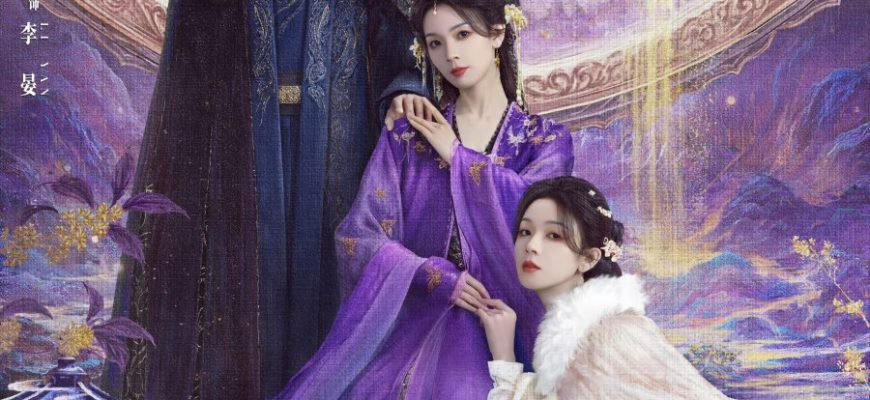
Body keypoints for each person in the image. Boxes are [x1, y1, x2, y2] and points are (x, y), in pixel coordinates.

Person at [275, 1, 575, 398]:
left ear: (498, 33)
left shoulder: (546, 141)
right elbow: (357, 237)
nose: (451, 54)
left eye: (463, 34)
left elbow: (540, 225)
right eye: (435, 43)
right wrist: (431, 275)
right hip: (421, 324)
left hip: (512, 325)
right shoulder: (407, 135)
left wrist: (457, 157)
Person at [478, 176, 733, 399]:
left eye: (554, 235)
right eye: (525, 231)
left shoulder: (612, 334)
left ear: (589, 258)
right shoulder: (572, 339)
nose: (531, 246)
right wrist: (504, 355)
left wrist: (504, 362)